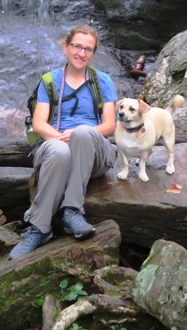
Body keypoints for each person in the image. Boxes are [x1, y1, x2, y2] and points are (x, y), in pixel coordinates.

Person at [9, 24, 117, 260]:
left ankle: (72, 211)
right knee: (59, 151)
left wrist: (78, 132)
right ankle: (39, 228)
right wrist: (59, 138)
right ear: (66, 47)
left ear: (93, 53)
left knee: (82, 133)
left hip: (94, 152)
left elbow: (109, 126)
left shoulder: (104, 82)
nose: (82, 53)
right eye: (77, 46)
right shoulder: (50, 81)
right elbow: (39, 124)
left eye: (88, 49)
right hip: (57, 147)